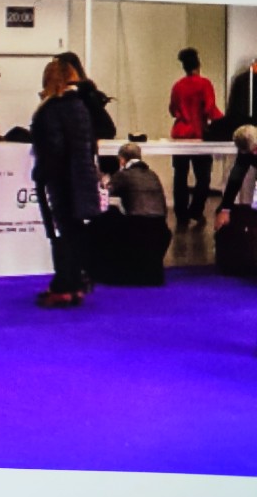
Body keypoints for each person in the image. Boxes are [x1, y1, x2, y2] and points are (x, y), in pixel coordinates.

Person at [32, 58, 102, 307]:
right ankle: (75, 284)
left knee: (60, 233)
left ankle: (63, 285)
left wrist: (42, 173)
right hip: (82, 177)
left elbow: (53, 147)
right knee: (75, 231)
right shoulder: (81, 107)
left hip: (60, 178)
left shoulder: (52, 109)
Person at [87, 142, 172, 286]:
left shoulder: (123, 175)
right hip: (160, 229)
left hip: (138, 228)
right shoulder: (153, 175)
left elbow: (105, 192)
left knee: (103, 220)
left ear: (121, 160)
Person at [169, 46, 222, 227]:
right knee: (203, 177)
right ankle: (196, 210)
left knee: (180, 176)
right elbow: (210, 109)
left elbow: (173, 110)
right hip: (199, 134)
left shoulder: (177, 86)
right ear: (198, 65)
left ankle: (181, 214)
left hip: (180, 134)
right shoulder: (204, 84)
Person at [213, 124, 257, 275]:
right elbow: (235, 179)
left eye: (255, 150)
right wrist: (225, 209)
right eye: (251, 152)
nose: (254, 154)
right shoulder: (246, 151)